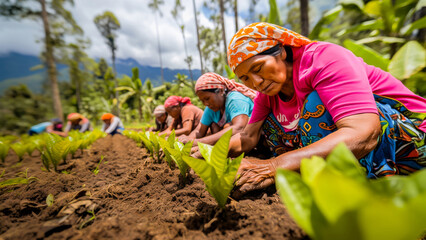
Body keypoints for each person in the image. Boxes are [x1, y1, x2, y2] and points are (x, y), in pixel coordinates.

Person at [222, 22, 426, 196]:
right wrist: (208, 153)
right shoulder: (267, 94)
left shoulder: (322, 59)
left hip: (414, 141)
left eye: (258, 68)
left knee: (316, 105)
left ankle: (373, 190)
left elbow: (364, 132)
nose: (256, 82)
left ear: (281, 51)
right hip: (361, 150)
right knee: (271, 124)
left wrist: (273, 165)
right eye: (245, 78)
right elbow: (248, 136)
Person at [179, 72, 256, 146]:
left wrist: (198, 142)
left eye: (207, 98)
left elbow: (239, 127)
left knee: (227, 127)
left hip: (255, 137)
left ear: (221, 91)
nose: (206, 104)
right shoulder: (211, 107)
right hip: (237, 140)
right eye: (202, 101)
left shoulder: (235, 99)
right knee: (214, 125)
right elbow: (199, 131)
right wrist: (187, 140)